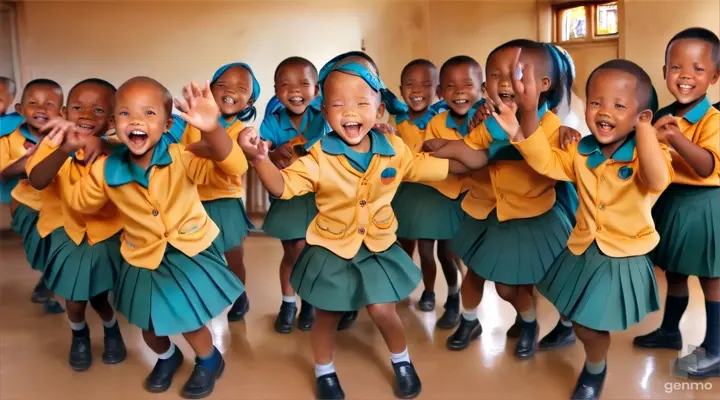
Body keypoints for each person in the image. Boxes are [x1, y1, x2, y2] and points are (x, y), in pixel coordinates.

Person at [238, 60, 484, 400]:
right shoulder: (318, 155)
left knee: (384, 311)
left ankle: (402, 362)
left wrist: (471, 155)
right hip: (331, 248)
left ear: (379, 109)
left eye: (361, 103)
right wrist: (259, 159)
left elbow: (433, 167)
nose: (349, 112)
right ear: (324, 111)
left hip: (378, 246)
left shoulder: (394, 150)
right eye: (338, 104)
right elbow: (282, 186)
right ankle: (324, 370)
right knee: (327, 314)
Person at [44, 77, 247, 398]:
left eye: (148, 113)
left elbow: (235, 165)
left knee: (190, 321)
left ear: (167, 124)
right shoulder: (106, 169)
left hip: (186, 253)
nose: (136, 121)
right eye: (125, 114)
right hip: (141, 257)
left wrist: (212, 129)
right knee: (148, 325)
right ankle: (167, 356)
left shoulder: (181, 157)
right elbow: (80, 202)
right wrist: (78, 152)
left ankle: (209, 360)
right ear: (114, 124)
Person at [507, 57, 671, 399]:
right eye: (595, 102)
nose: (604, 111)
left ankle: (594, 369)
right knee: (570, 306)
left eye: (619, 105)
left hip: (621, 255)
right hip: (583, 247)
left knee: (589, 325)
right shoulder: (580, 152)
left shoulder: (648, 152)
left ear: (641, 116)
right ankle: (569, 330)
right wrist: (528, 109)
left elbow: (657, 180)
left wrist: (645, 132)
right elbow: (543, 161)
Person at [429, 41, 575, 358]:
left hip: (532, 220)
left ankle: (533, 323)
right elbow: (470, 153)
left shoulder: (553, 128)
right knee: (476, 273)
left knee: (517, 285)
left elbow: (557, 165)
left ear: (545, 85)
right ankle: (471, 321)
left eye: (518, 73)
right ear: (486, 86)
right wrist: (430, 159)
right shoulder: (490, 122)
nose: (507, 82)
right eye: (497, 75)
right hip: (488, 215)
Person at [633, 27, 720, 379]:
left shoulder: (713, 118)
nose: (685, 75)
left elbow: (707, 166)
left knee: (712, 278)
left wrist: (676, 138)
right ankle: (670, 331)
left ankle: (715, 349)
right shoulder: (660, 113)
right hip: (673, 204)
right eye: (676, 67)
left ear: (714, 77)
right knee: (676, 272)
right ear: (664, 70)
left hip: (706, 206)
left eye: (698, 69)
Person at [25, 78, 126, 371]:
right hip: (67, 233)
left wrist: (103, 143)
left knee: (99, 298)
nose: (85, 115)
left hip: (104, 234)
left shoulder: (117, 144)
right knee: (74, 300)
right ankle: (79, 335)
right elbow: (38, 180)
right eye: (78, 108)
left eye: (97, 110)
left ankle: (111, 329)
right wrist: (65, 149)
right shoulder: (53, 141)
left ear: (110, 119)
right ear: (66, 111)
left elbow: (133, 154)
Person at [167, 63, 259, 322]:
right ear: (211, 91)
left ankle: (240, 294)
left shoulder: (244, 132)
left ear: (249, 101)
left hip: (225, 202)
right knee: (195, 256)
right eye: (223, 85)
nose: (231, 91)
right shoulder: (189, 120)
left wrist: (207, 147)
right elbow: (176, 147)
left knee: (233, 256)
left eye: (241, 89)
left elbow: (234, 161)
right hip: (190, 201)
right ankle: (199, 296)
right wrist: (211, 148)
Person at [391, 58, 464, 327]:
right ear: (401, 90)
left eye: (426, 84)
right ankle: (429, 291)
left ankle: (454, 294)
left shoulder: (445, 119)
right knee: (421, 249)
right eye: (410, 85)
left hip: (443, 195)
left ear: (438, 90)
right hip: (412, 195)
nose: (418, 89)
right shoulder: (397, 120)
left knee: (447, 252)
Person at [260, 57, 322, 333]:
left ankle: (308, 301)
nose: (295, 90)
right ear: (276, 91)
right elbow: (260, 152)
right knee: (294, 252)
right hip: (287, 199)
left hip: (317, 198)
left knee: (312, 253)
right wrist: (272, 154)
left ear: (316, 90)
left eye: (304, 84)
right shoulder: (272, 123)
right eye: (286, 85)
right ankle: (289, 303)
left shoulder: (323, 118)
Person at [0, 78, 66, 313]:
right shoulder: (10, 139)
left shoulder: (66, 138)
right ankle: (48, 282)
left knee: (62, 245)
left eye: (49, 104)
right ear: (20, 109)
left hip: (62, 206)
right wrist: (31, 159)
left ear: (62, 111)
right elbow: (4, 173)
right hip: (27, 205)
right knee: (39, 245)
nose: (41, 108)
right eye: (33, 103)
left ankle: (49, 286)